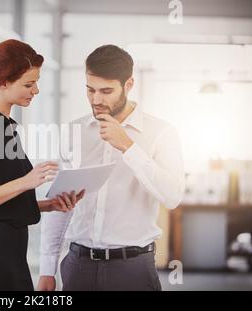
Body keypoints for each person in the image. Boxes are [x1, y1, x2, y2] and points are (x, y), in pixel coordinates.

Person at [37, 45, 185, 291]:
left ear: (128, 85)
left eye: (106, 91)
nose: (96, 99)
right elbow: (60, 204)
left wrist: (128, 146)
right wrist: (46, 269)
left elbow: (172, 196)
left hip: (133, 269)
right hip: (78, 267)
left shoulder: (161, 133)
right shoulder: (73, 132)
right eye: (90, 89)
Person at [0, 39, 85, 291]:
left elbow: (2, 204)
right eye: (29, 84)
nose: (36, 91)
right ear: (4, 82)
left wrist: (48, 205)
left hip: (9, 259)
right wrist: (26, 181)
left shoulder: (2, 127)